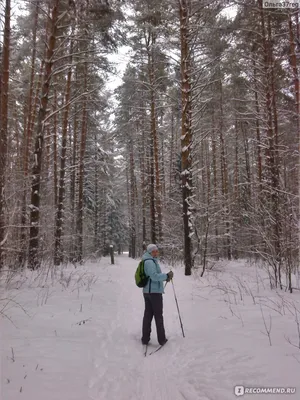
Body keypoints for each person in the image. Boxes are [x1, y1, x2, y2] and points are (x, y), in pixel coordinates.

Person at [141, 244, 174, 346]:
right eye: (153, 251)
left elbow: (153, 276)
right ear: (149, 252)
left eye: (156, 251)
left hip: (148, 292)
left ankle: (145, 339)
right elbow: (154, 277)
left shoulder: (149, 260)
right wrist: (166, 276)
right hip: (153, 293)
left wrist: (165, 277)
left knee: (148, 315)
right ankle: (162, 339)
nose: (156, 252)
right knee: (158, 316)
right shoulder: (150, 262)